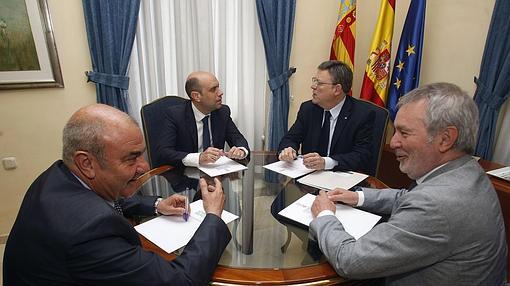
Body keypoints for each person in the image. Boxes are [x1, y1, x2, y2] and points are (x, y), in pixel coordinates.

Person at [3, 104, 231, 285]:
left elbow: (104, 201)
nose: (143, 166)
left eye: (141, 155)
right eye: (131, 158)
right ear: (87, 163)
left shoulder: (58, 176)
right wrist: (212, 216)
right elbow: (181, 280)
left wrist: (157, 205)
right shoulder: (89, 233)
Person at [310, 83, 507, 285]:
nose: (393, 143)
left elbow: (350, 260)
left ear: (445, 139)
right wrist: (358, 197)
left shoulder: (436, 205)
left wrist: (324, 215)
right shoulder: (467, 170)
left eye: (404, 133)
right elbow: (408, 197)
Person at [278, 60, 375, 173]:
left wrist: (326, 163)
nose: (313, 86)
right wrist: (288, 149)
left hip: (342, 180)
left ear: (337, 89)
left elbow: (362, 156)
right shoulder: (308, 109)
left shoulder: (362, 114)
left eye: (319, 83)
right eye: (314, 81)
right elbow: (290, 138)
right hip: (309, 178)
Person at [154, 71, 250, 168]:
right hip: (185, 176)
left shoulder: (222, 112)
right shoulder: (174, 115)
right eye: (213, 89)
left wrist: (240, 150)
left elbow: (237, 138)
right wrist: (198, 158)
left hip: (216, 173)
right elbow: (163, 153)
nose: (220, 93)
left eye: (218, 87)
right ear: (196, 96)